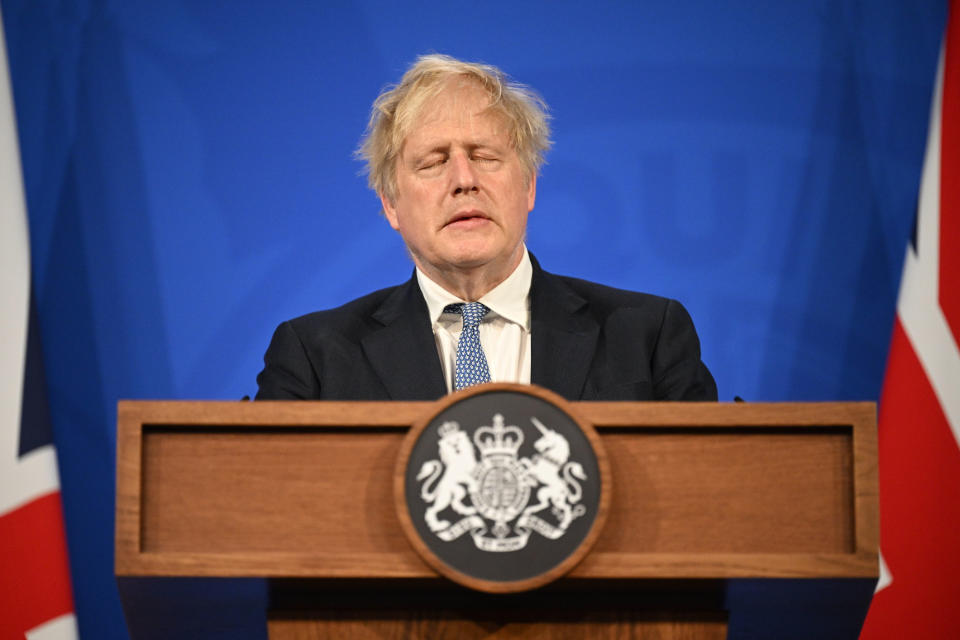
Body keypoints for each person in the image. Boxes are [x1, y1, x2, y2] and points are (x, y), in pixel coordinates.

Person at [256, 54, 716, 402]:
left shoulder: (646, 336)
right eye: (433, 163)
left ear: (529, 186)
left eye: (484, 156)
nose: (464, 180)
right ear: (391, 205)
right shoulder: (315, 357)